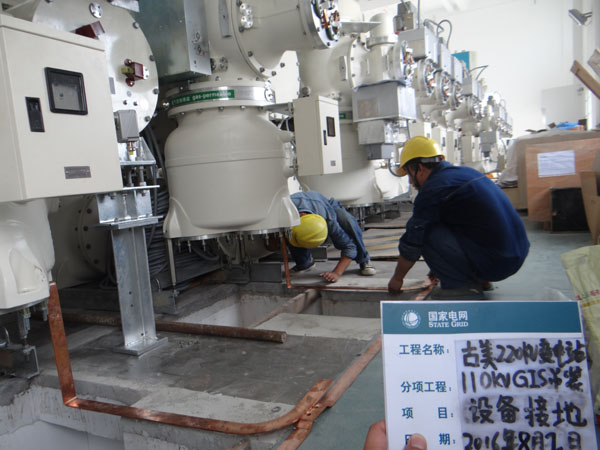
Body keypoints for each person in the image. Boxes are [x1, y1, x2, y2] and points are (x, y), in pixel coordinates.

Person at [388, 136, 530, 299]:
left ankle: (460, 287)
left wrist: (397, 278)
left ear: (420, 168)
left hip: (497, 263)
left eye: (409, 174)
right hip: (515, 253)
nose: (410, 182)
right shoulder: (465, 173)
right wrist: (440, 266)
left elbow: (412, 242)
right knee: (442, 221)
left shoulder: (433, 189)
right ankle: (482, 280)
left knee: (424, 231)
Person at [288, 191, 376, 282]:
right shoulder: (284, 211)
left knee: (348, 222)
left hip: (327, 204)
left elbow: (350, 246)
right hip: (301, 205)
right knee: (291, 235)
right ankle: (304, 263)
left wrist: (337, 273)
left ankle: (364, 259)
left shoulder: (329, 220)